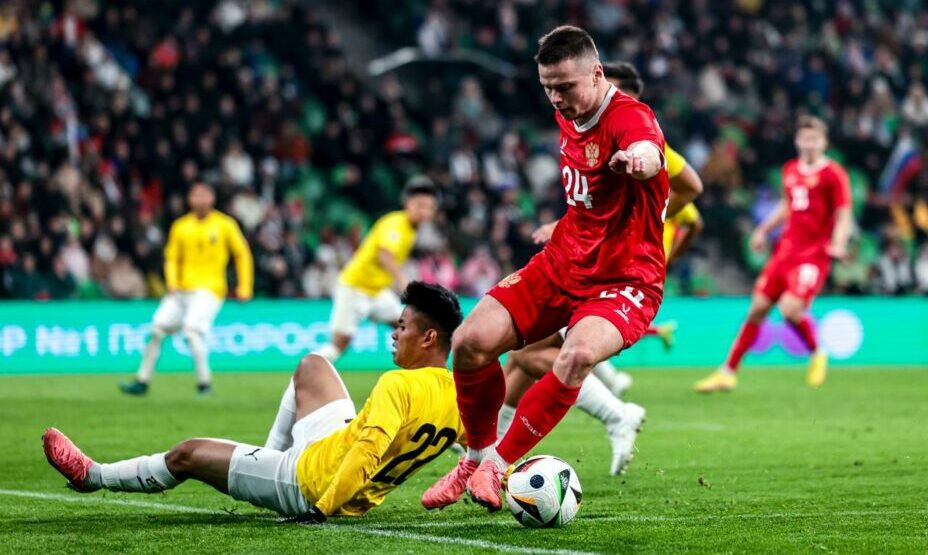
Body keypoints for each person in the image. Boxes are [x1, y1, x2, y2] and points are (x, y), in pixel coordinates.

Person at [422, 26, 670, 512]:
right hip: (563, 261)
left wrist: (635, 161)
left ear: (597, 74)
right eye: (548, 88)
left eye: (565, 87)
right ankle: (474, 459)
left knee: (576, 356)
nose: (556, 98)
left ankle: (498, 465)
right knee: (469, 343)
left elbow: (650, 152)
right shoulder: (569, 109)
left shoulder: (629, 117)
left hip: (625, 279)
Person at [44, 282, 465, 520]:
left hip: (309, 483)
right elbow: (483, 449)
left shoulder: (397, 384)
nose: (394, 333)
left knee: (187, 454)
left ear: (428, 337)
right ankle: (264, 459)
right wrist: (480, 480)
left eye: (402, 326)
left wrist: (321, 509)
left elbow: (368, 451)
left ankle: (92, 475)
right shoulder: (460, 397)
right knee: (313, 365)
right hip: (333, 448)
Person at [494, 61, 706, 477]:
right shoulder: (586, 131)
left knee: (538, 354)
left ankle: (616, 414)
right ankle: (491, 445)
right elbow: (595, 210)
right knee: (523, 355)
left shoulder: (644, 136)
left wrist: (652, 221)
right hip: (587, 262)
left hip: (623, 274)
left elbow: (692, 191)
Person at [695, 116, 853, 393]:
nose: (810, 144)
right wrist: (763, 230)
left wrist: (838, 244)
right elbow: (788, 206)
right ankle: (727, 372)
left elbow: (843, 213)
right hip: (785, 252)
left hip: (813, 255)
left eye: (815, 139)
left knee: (790, 309)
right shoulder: (790, 169)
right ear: (797, 141)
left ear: (824, 142)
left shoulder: (833, 174)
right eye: (805, 139)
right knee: (757, 309)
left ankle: (817, 352)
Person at [120, 182, 253, 396]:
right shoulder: (181, 226)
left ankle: (204, 384)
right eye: (196, 195)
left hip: (209, 290)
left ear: (212, 198)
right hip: (181, 290)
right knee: (157, 328)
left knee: (191, 330)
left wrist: (244, 286)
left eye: (204, 195)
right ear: (190, 199)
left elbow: (242, 254)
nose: (200, 199)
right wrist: (172, 282)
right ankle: (142, 381)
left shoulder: (225, 225)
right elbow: (172, 258)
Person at [315, 177, 439, 363]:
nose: (424, 211)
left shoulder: (412, 230)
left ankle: (419, 371)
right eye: (420, 205)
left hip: (377, 292)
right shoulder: (395, 224)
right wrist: (403, 282)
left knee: (408, 327)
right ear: (408, 203)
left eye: (429, 207)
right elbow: (384, 254)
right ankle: (303, 373)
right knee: (338, 346)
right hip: (355, 288)